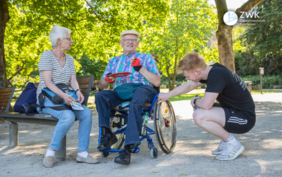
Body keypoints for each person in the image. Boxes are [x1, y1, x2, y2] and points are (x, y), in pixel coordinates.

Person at [158, 52, 256, 161]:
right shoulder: (213, 70)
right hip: (235, 112)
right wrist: (167, 95)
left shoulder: (217, 74)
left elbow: (205, 105)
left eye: (188, 76)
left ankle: (232, 144)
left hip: (245, 119)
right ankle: (226, 141)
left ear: (197, 71)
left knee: (199, 115)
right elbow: (190, 85)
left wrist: (195, 101)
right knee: (200, 110)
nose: (187, 79)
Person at [36, 25, 98, 168]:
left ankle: (82, 154)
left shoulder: (69, 58)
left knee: (87, 113)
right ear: (59, 41)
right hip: (47, 97)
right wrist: (64, 95)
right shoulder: (46, 56)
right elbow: (48, 82)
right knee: (68, 116)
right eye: (69, 39)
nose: (71, 41)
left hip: (66, 96)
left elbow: (72, 80)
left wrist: (77, 91)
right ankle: (51, 152)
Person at [95, 30, 160, 165]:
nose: (129, 42)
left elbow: (156, 82)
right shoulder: (113, 61)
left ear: (137, 43)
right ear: (121, 43)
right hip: (121, 91)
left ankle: (127, 148)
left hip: (143, 89)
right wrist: (107, 79)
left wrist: (140, 68)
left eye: (133, 39)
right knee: (101, 96)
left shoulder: (147, 57)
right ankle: (108, 134)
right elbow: (101, 85)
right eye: (126, 39)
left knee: (138, 97)